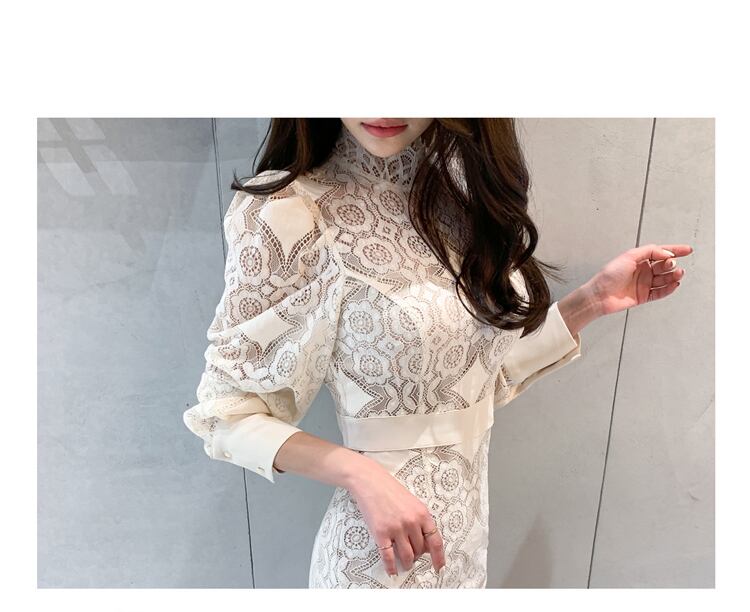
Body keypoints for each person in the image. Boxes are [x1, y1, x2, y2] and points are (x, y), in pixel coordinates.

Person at [182, 118, 692, 588]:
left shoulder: (458, 203)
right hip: (376, 560)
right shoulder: (291, 212)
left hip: (465, 549)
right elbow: (224, 415)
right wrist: (361, 474)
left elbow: (471, 389)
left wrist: (591, 302)